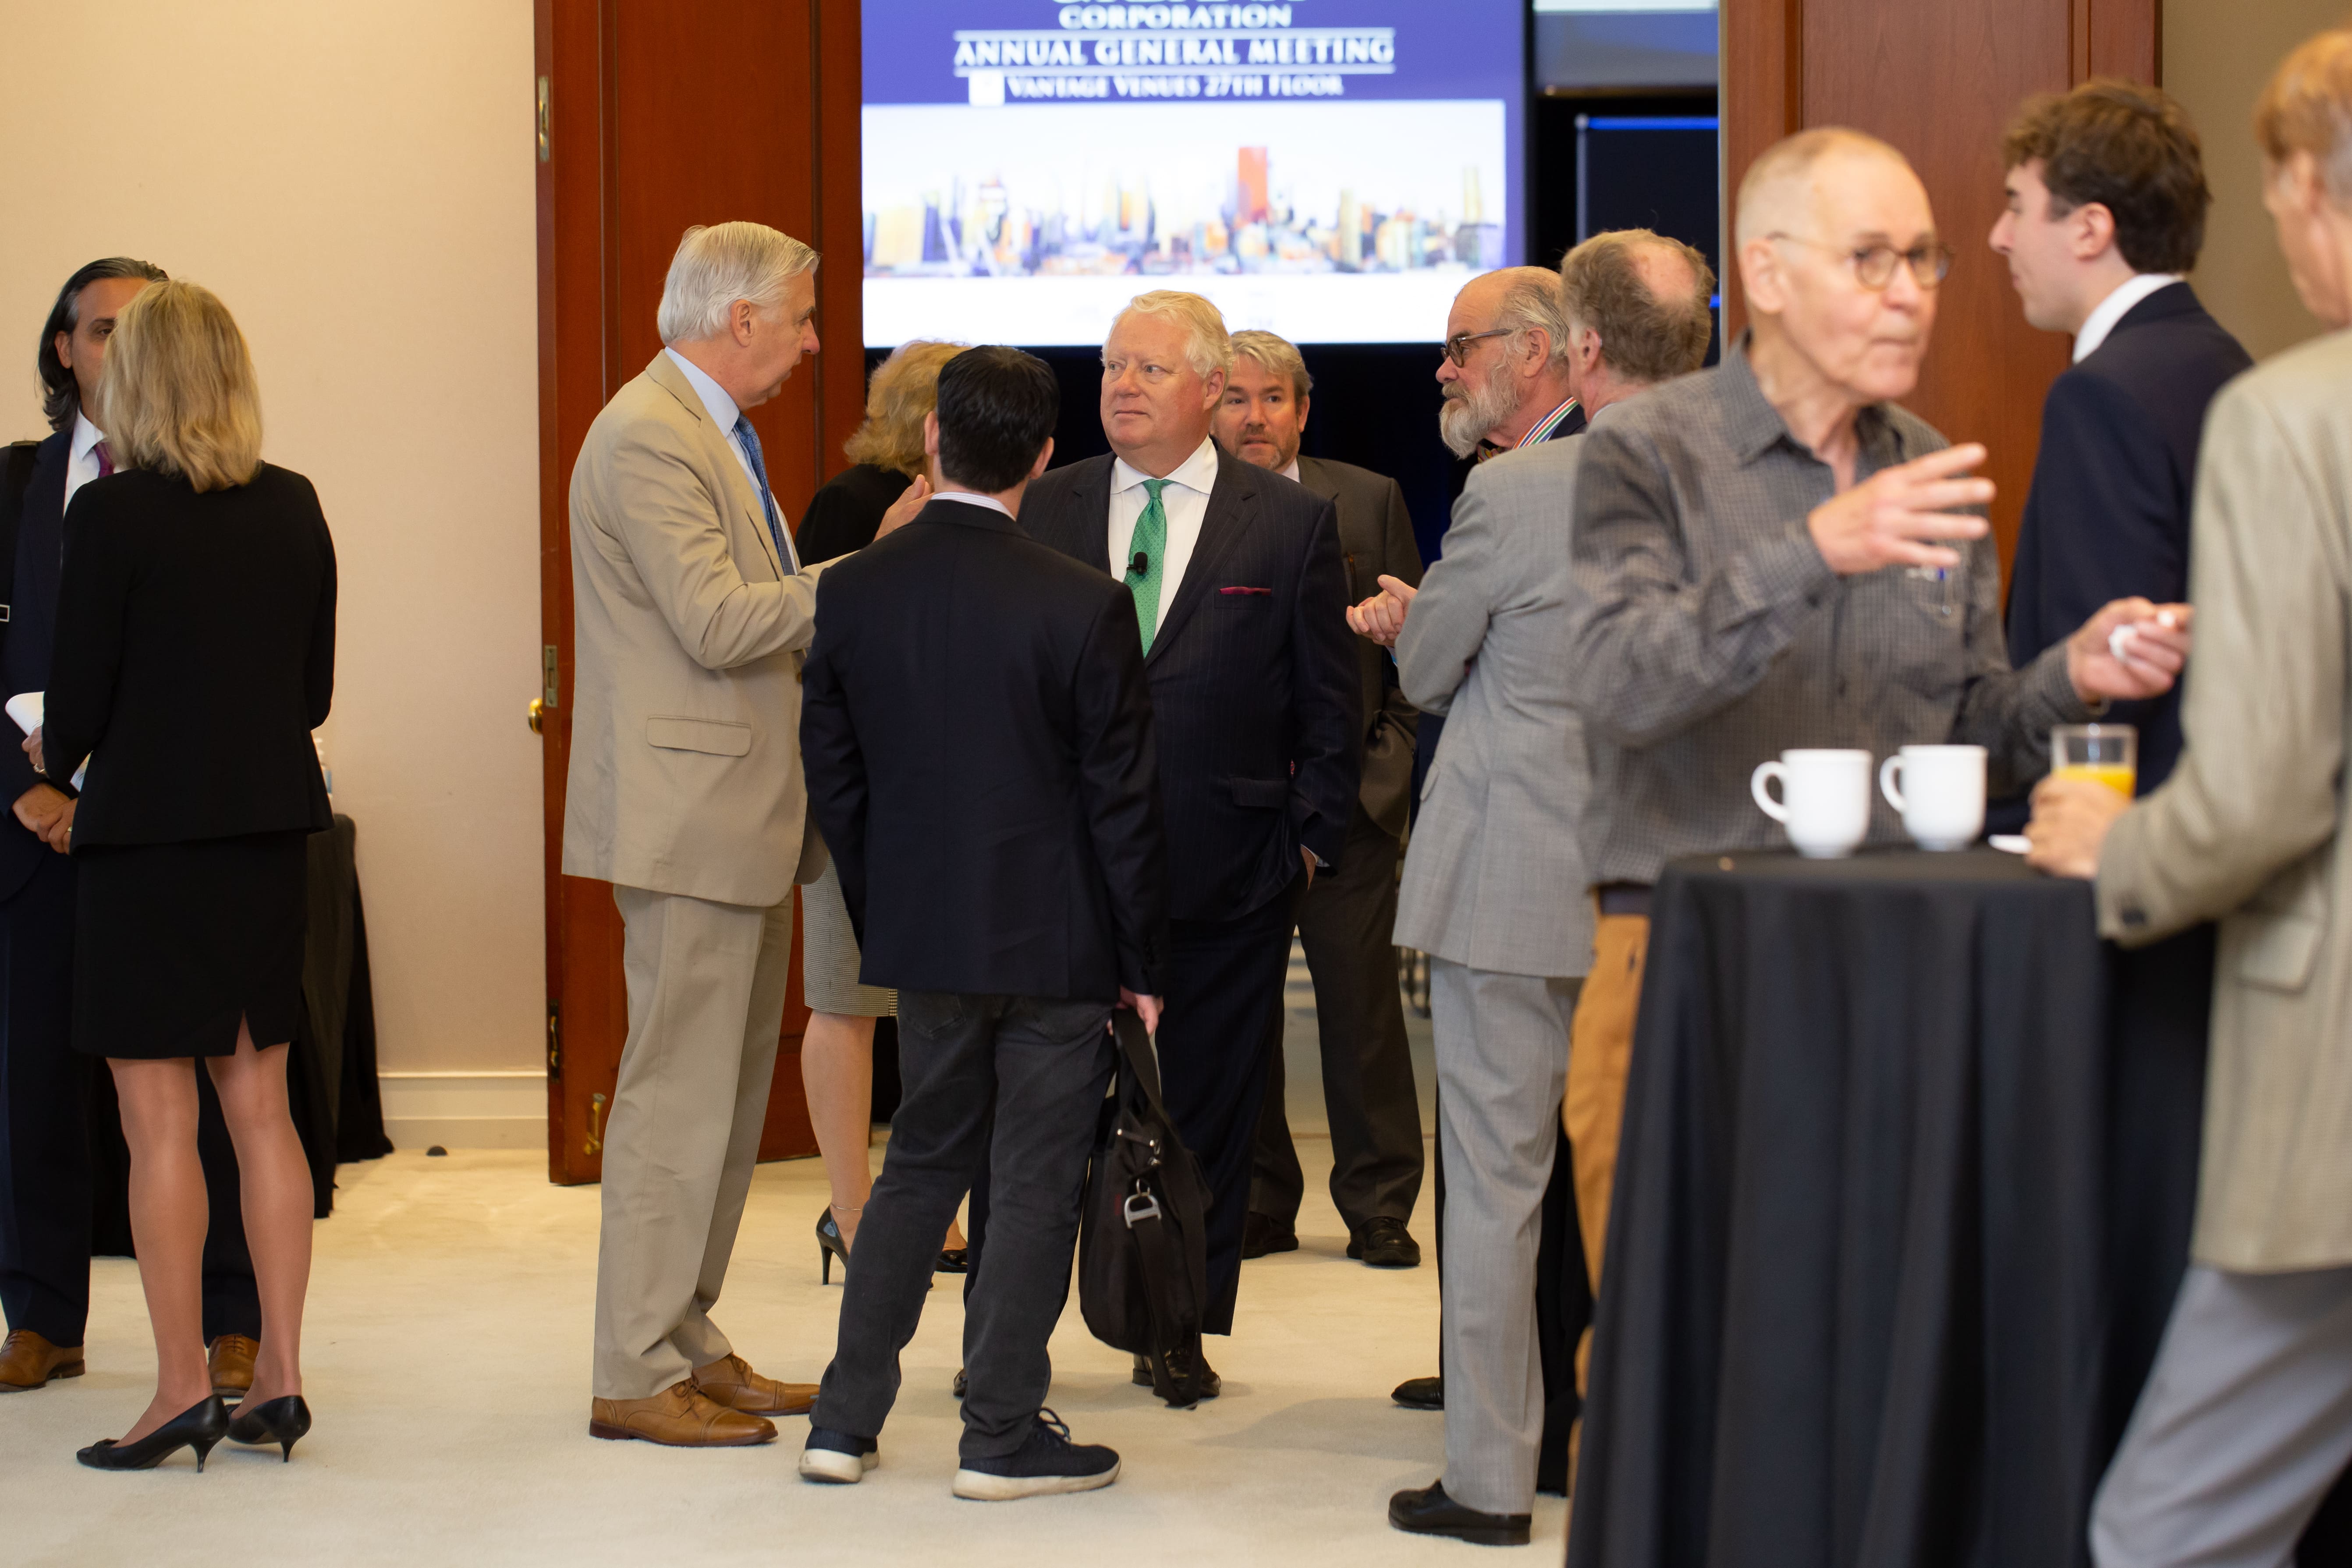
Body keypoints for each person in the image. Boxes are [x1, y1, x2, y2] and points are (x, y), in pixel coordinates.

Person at [1564, 128, 2191, 1338]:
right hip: (1690, 960)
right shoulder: (1652, 451)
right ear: (1767, 272)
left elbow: (1973, 736)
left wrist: (2071, 675)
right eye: (1870, 259)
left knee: (1879, 1348)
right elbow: (1618, 684)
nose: (1910, 293)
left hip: (1901, 964)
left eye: (1923, 258)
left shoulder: (1930, 470)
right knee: (1676, 1354)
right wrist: (1812, 552)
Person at [2027, 28, 2352, 1565]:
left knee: (2165, 1528)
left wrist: (2118, 847)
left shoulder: (2291, 417)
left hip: (2313, 1058)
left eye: (2284, 192)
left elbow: (2258, 786)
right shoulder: (2235, 378)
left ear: (2320, 189)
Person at [1350, 231, 1717, 1544]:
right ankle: (1657, 1455)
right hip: (1671, 887)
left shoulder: (1516, 494)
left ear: (1580, 347)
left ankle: (1490, 1480)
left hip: (1509, 879)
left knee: (1497, 1190)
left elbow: (1425, 674)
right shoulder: (1743, 485)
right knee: (1659, 1189)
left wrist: (1425, 620)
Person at [564, 221, 921, 1448]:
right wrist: (870, 570)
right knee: (676, 1101)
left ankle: (684, 1338)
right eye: (804, 318)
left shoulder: (706, 426)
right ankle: (631, 1368)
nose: (815, 342)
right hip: (691, 818)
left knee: (720, 1106)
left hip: (742, 816)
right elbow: (718, 622)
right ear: (742, 317)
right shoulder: (648, 433)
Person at [798, 345, 1166, 1499]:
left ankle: (843, 1422)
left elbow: (836, 780)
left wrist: (889, 910)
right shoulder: (1085, 601)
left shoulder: (853, 589)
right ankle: (999, 1431)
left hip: (927, 936)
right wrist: (1142, 963)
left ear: (931, 440)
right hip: (1060, 944)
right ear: (1044, 457)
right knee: (1034, 1182)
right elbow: (1121, 802)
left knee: (918, 1168)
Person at [1018, 291, 1358, 1392]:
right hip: (1070, 866)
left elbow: (1329, 701)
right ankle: (1015, 1339)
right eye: (1112, 365)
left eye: (1150, 369)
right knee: (1050, 1105)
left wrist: (1307, 842)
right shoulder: (1051, 505)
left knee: (1208, 1109)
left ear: (1211, 388)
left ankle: (1177, 1328)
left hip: (1232, 862)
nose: (1121, 384)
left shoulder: (1287, 521)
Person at [1987, 77, 2254, 1458]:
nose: (1997, 237)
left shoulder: (2106, 393)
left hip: (2126, 900)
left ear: (2090, 226)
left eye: (2016, 207)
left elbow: (2107, 689)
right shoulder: (2230, 368)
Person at [39, 280, 333, 1470]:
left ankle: (176, 1392)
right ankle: (280, 1378)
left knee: (158, 1121)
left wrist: (53, 746)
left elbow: (73, 713)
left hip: (146, 846)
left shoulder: (109, 516)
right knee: (260, 1111)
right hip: (265, 837)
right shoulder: (294, 501)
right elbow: (313, 692)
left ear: (141, 379)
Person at [1, 257, 279, 1403]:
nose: (121, 347)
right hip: (36, 831)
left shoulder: (222, 496)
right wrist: (30, 792)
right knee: (33, 1084)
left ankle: (228, 1330)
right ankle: (43, 1315)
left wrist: (105, 785)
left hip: (162, 833)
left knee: (202, 1096)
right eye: (101, 328)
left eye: (140, 326)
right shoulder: (16, 484)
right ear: (63, 350)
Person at [1213, 327, 1426, 1270]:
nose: (1254, 417)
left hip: (1348, 809)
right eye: (1235, 398)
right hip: (1235, 812)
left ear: (1303, 410)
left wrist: (1382, 776)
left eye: (1273, 398)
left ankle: (1379, 1203)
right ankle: (1260, 1200)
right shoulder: (1189, 507)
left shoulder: (1368, 498)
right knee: (1242, 1019)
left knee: (1362, 1016)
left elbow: (1416, 652)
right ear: (1209, 408)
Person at [793, 337, 965, 1281]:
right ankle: (851, 1208)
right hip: (858, 795)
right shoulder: (851, 503)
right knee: (847, 999)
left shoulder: (983, 507)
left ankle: (928, 1205)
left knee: (944, 1010)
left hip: (951, 796)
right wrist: (884, 548)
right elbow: (808, 641)